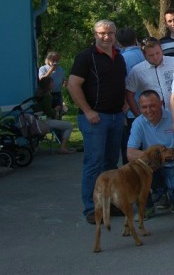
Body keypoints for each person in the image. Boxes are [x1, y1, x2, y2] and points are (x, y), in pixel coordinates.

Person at [67, 20, 127, 224]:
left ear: (115, 34)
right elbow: (73, 85)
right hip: (95, 118)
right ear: (95, 34)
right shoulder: (86, 57)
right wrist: (88, 111)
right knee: (94, 163)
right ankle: (91, 208)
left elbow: (120, 83)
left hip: (116, 117)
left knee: (111, 164)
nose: (106, 37)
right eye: (102, 33)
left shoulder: (119, 57)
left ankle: (109, 203)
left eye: (110, 33)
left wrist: (124, 103)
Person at [126, 90, 174, 215]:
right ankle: (149, 205)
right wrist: (156, 157)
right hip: (152, 165)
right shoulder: (138, 123)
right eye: (144, 107)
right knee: (132, 174)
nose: (148, 110)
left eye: (152, 106)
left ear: (161, 103)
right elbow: (130, 153)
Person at [125, 37, 174, 114]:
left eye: (158, 53)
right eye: (151, 55)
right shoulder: (137, 71)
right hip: (152, 115)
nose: (155, 57)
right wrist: (138, 115)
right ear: (144, 55)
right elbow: (129, 94)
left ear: (161, 49)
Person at [116, 27, 145, 165]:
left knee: (130, 148)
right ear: (135, 39)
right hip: (151, 106)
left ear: (118, 42)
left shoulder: (121, 58)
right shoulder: (146, 54)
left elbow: (121, 83)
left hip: (131, 110)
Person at [33, 77, 75, 154]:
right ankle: (62, 147)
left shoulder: (38, 94)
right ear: (47, 84)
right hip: (45, 121)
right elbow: (48, 112)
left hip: (37, 120)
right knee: (69, 126)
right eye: (52, 83)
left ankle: (64, 145)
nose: (53, 84)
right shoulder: (47, 96)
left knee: (61, 126)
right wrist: (56, 109)